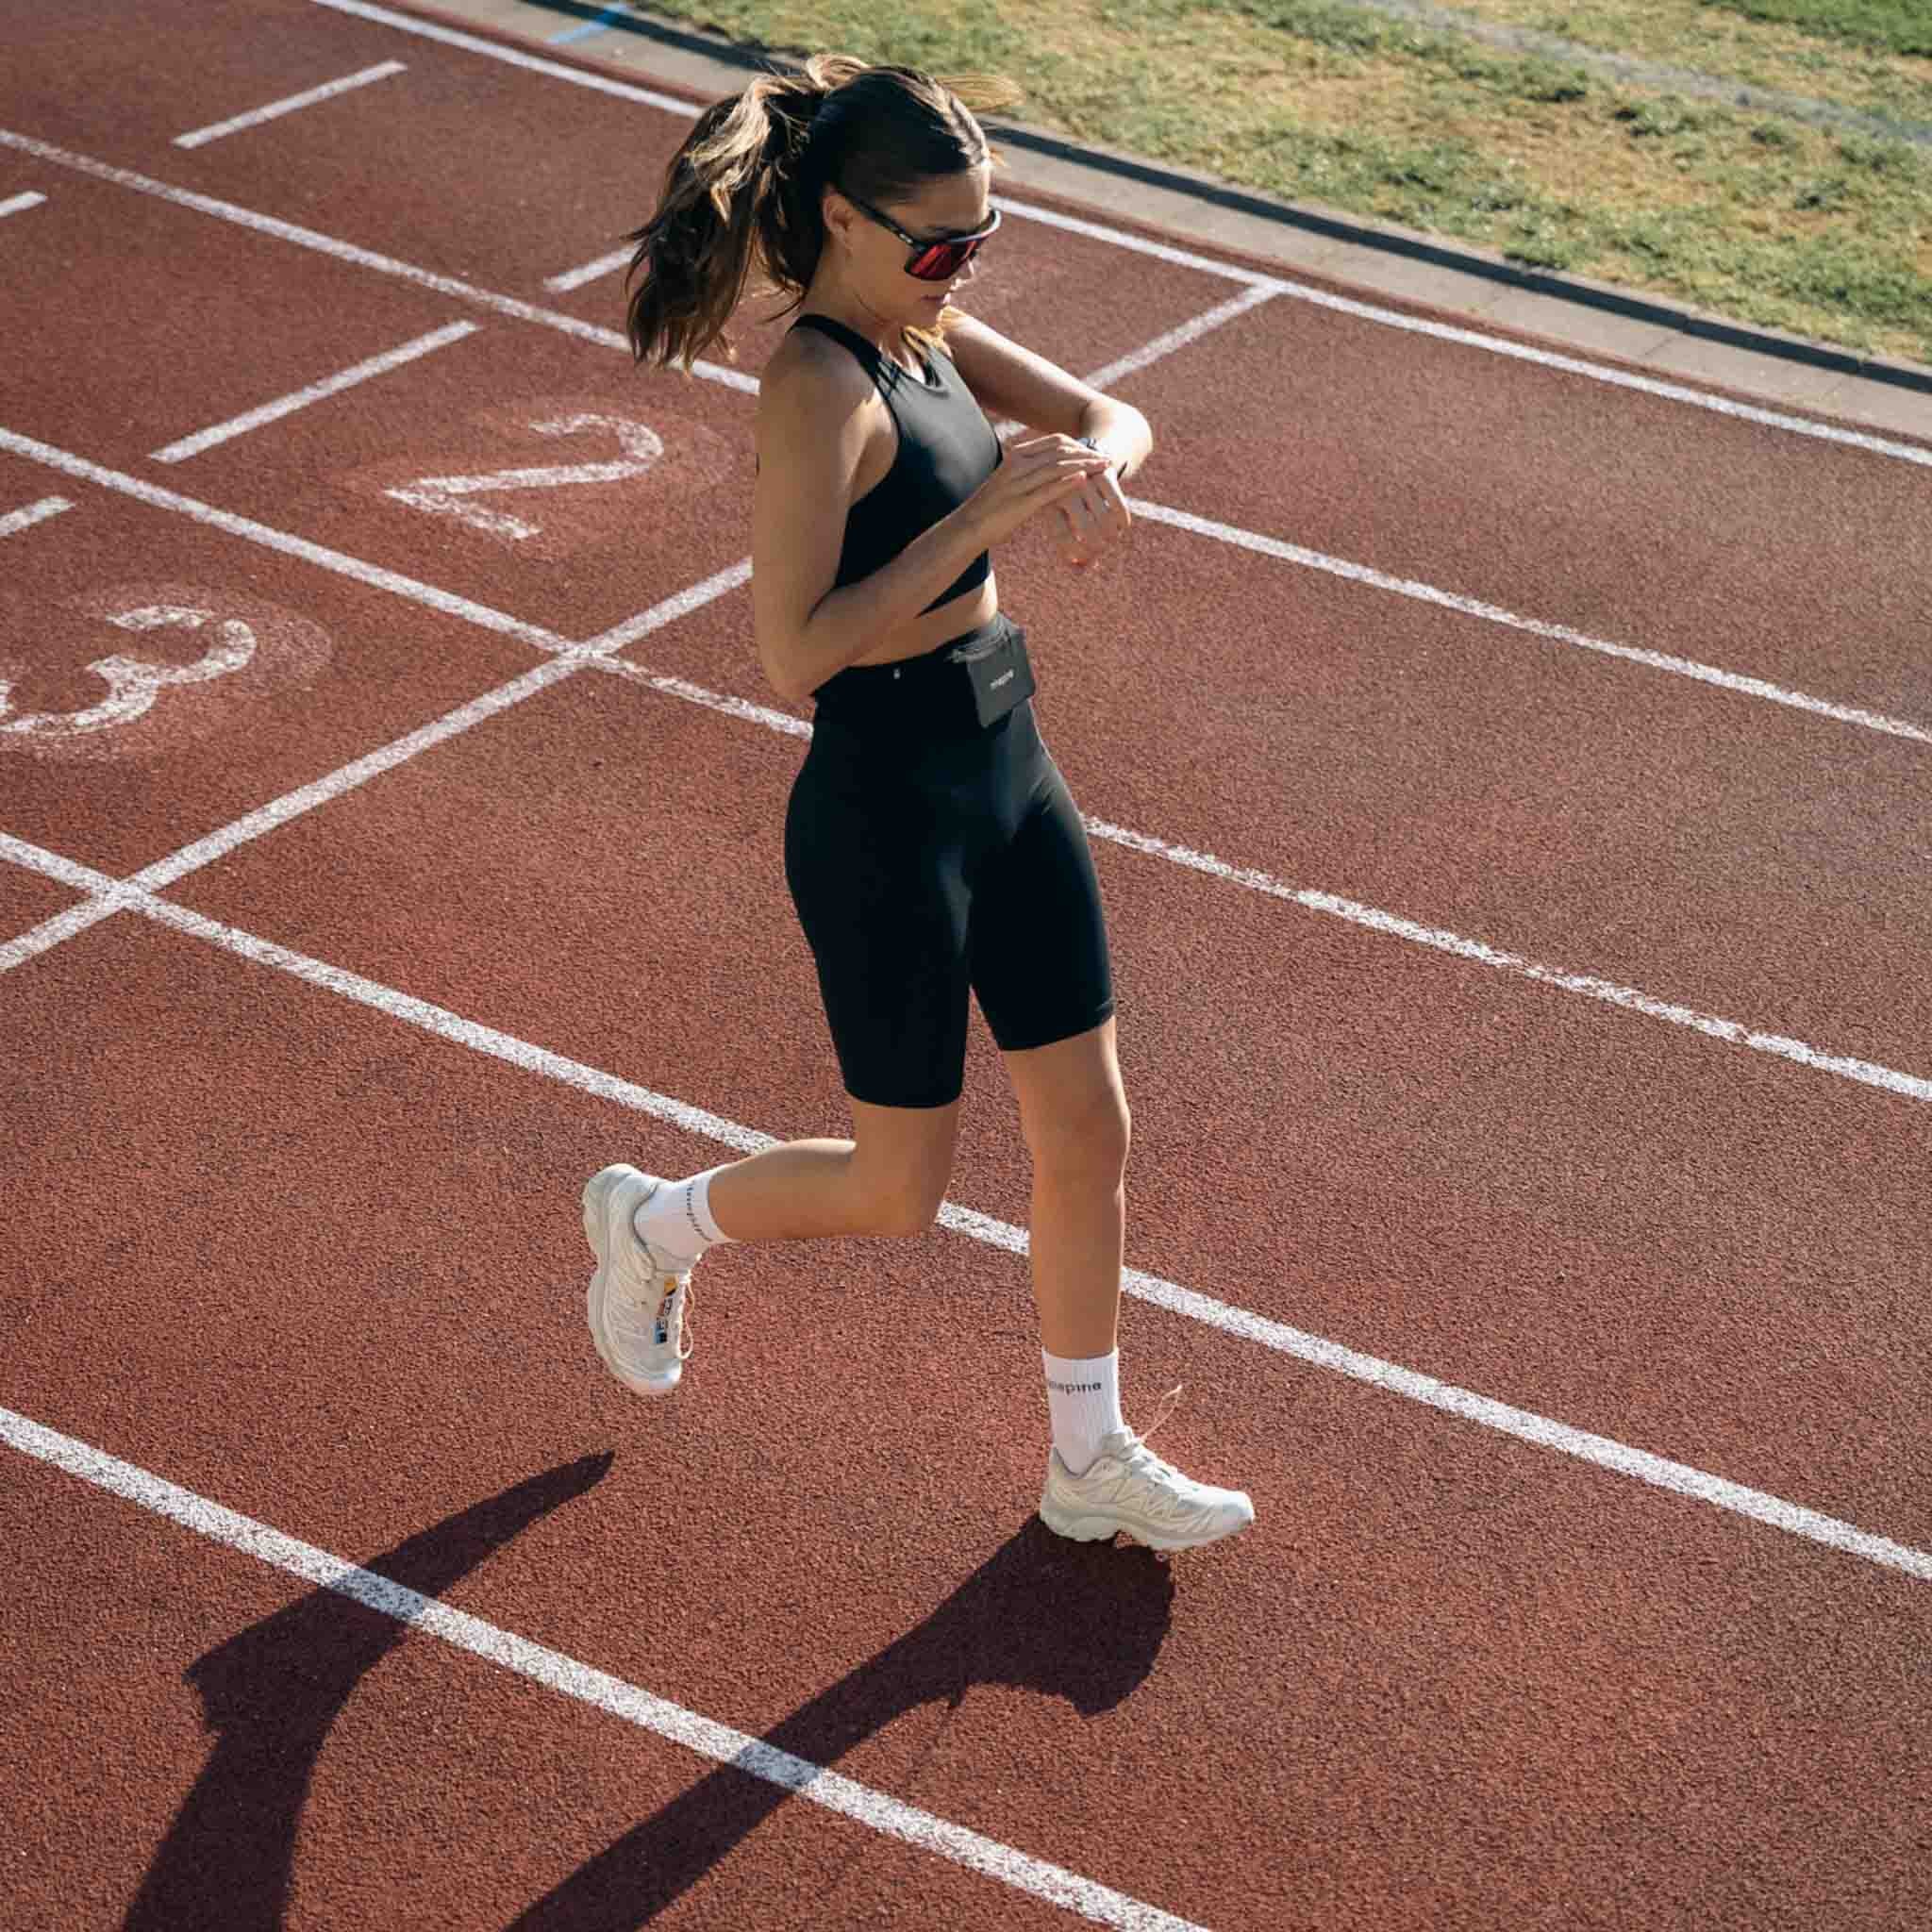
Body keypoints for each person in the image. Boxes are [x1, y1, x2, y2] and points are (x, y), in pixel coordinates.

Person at [583, 53, 1253, 1552]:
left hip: (1007, 758)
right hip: (885, 801)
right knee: (902, 1192)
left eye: (984, 239)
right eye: (939, 241)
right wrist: (983, 517)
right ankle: (653, 1224)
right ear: (840, 218)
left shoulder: (927, 322)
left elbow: (1109, 407)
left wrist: (1090, 465)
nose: (961, 268)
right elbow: (792, 651)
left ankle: (1087, 1459)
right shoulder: (818, 380)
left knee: (1089, 1128)